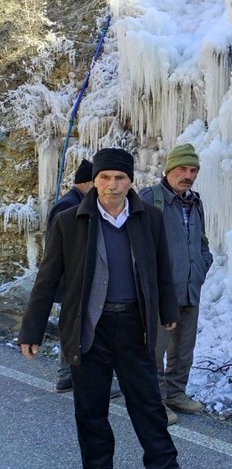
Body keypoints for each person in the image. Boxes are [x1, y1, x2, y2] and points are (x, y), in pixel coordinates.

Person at [19, 147, 180, 469]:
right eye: (104, 177)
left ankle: (164, 465)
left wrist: (168, 311)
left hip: (135, 328)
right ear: (94, 181)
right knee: (91, 412)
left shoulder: (150, 217)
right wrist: (31, 329)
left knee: (148, 407)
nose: (112, 185)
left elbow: (162, 267)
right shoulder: (69, 221)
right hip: (90, 329)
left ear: (130, 181)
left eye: (120, 178)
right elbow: (47, 278)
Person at [140, 143, 213, 425]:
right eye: (183, 168)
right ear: (170, 169)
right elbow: (137, 246)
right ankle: (155, 402)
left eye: (193, 170)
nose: (188, 174)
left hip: (190, 289)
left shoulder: (195, 202)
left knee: (184, 348)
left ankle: (176, 394)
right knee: (155, 350)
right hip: (160, 293)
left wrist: (203, 265)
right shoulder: (150, 199)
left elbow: (202, 242)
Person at [46, 158, 94, 393]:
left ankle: (69, 374)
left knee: (76, 324)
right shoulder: (67, 206)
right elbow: (57, 249)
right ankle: (66, 376)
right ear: (85, 183)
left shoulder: (76, 201)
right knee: (72, 325)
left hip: (73, 278)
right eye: (97, 181)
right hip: (69, 280)